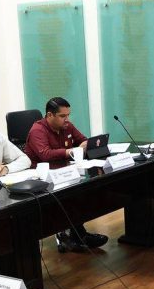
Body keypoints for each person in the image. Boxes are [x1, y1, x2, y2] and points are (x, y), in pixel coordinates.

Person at [24, 97, 108, 252]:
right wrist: (71, 151)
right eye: (62, 116)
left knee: (84, 190)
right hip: (42, 178)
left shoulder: (67, 126)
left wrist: (83, 145)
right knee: (72, 195)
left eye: (68, 115)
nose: (67, 119)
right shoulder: (37, 130)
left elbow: (84, 141)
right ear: (49, 115)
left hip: (64, 172)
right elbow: (45, 154)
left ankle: (78, 233)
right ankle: (73, 236)